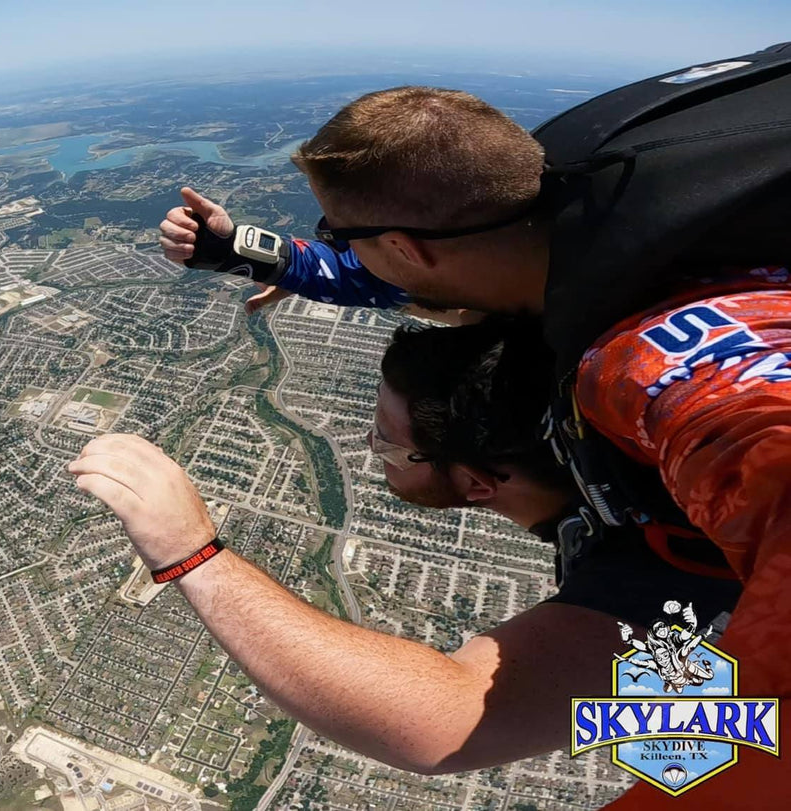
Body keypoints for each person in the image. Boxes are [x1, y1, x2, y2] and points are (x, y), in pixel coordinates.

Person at [157, 46, 791, 806]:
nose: (334, 246)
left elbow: (450, 721)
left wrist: (184, 549)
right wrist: (267, 258)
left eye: (336, 231)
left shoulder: (658, 372)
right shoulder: (574, 201)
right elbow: (418, 262)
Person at [68, 318, 740, 774]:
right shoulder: (636, 467)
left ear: (476, 484)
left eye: (388, 444)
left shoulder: (663, 564)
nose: (369, 447)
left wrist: (191, 552)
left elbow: (443, 722)